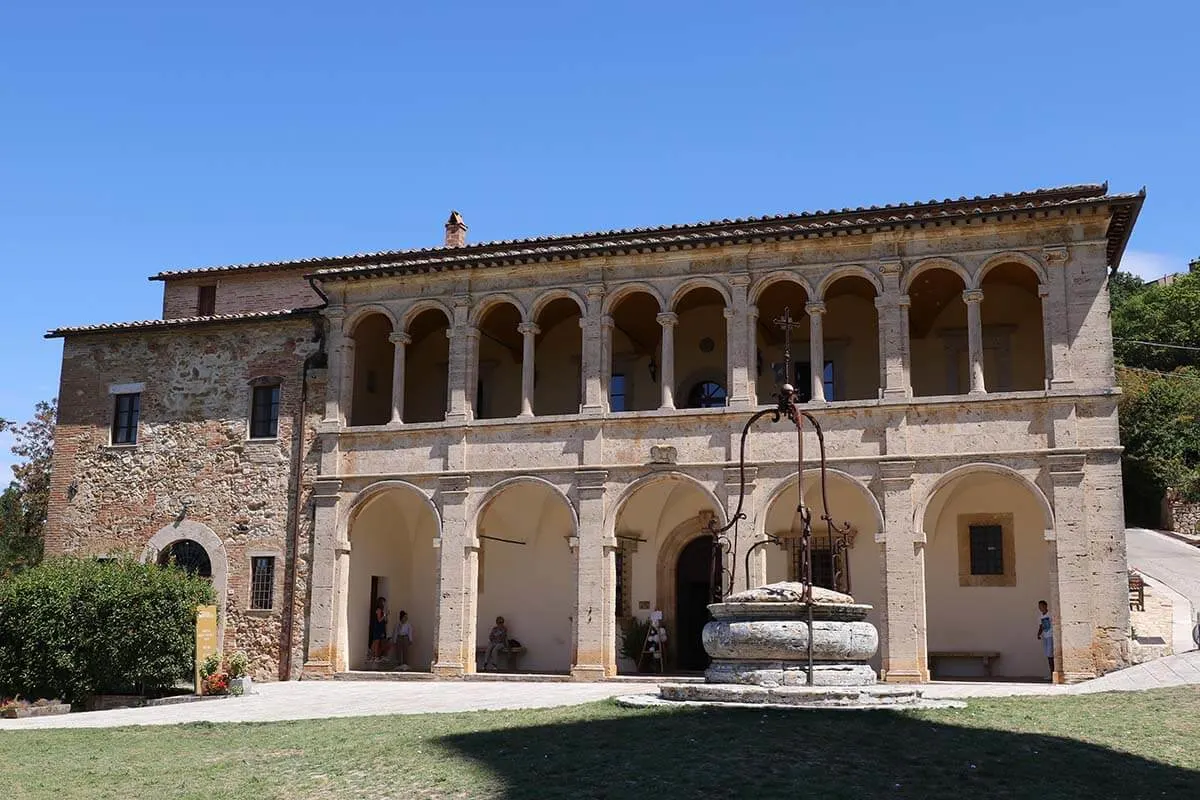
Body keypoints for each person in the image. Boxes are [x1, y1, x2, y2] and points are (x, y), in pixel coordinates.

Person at [1036, 600, 1054, 678]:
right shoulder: (1040, 616)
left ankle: (1053, 673)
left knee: (1050, 655)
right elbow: (1041, 626)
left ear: (1046, 606)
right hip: (1045, 636)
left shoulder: (1050, 614)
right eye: (1039, 606)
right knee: (1048, 655)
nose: (1041, 608)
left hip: (1051, 636)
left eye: (1042, 606)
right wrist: (1039, 634)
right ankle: (1051, 673)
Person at [369, 597, 389, 664]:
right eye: (383, 602)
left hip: (382, 627)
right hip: (378, 628)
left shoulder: (382, 610)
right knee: (376, 642)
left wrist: (386, 617)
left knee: (378, 642)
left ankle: (374, 656)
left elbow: (385, 621)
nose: (384, 603)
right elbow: (379, 620)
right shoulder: (379, 610)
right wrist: (385, 615)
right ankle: (375, 656)